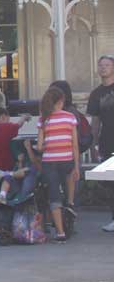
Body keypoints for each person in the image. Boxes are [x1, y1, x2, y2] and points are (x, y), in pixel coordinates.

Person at [24, 87, 79, 243]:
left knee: (53, 195)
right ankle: (70, 202)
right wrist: (76, 166)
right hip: (67, 159)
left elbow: (40, 147)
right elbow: (74, 145)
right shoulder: (70, 117)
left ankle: (60, 233)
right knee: (70, 176)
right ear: (61, 101)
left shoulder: (44, 120)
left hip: (50, 161)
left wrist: (42, 145)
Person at [48, 80, 90, 217]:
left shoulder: (68, 113)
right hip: (70, 155)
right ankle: (68, 217)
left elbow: (74, 139)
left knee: (66, 189)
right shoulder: (71, 112)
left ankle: (67, 219)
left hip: (67, 155)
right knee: (70, 189)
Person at [87, 55, 114, 232]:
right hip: (108, 142)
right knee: (111, 182)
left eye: (107, 65)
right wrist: (93, 144)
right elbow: (95, 121)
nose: (103, 68)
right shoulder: (96, 94)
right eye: (100, 65)